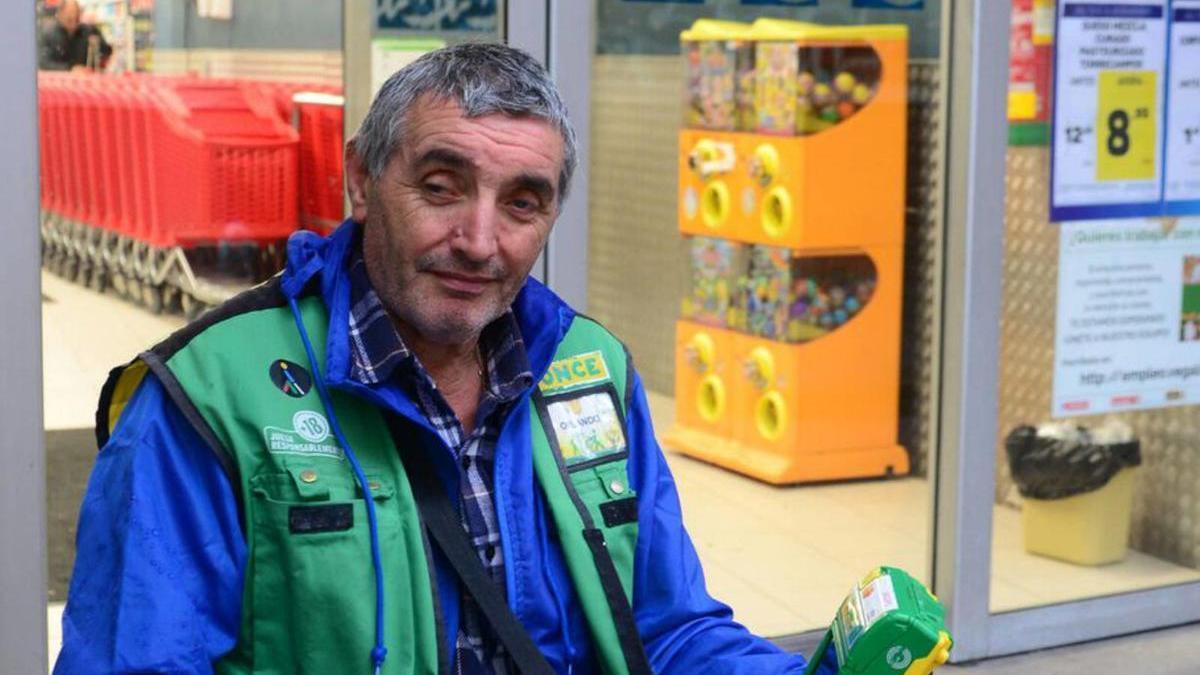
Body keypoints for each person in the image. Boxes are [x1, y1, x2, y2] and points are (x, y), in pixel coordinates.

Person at [56, 44, 835, 674]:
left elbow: (667, 629)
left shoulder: (589, 369)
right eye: (441, 187)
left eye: (522, 203)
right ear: (362, 179)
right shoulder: (209, 398)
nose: (479, 240)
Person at [39, 0, 112, 72]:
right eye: (69, 19)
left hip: (86, 77)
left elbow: (106, 52)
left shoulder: (89, 31)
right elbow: (44, 63)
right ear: (60, 15)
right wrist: (70, 69)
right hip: (59, 77)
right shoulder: (49, 34)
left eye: (77, 19)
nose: (73, 24)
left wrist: (98, 39)